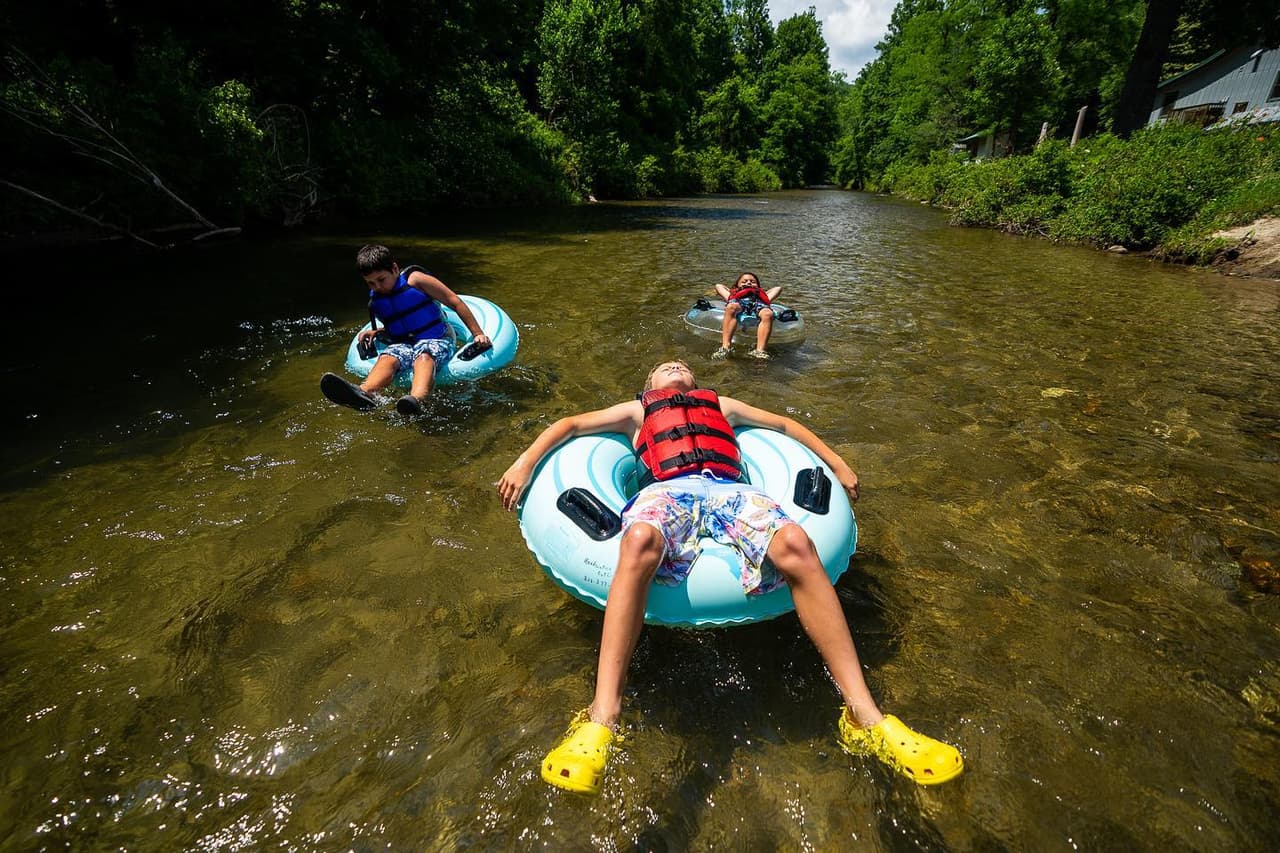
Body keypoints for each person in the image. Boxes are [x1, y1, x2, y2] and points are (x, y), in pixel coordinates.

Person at [497, 360, 964, 795]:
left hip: (732, 491)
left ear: (696, 383)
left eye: (683, 365)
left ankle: (867, 717)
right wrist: (524, 462)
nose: (675, 366)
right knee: (639, 539)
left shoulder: (721, 406)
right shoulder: (636, 412)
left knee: (797, 544)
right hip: (668, 491)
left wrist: (837, 463)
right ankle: (602, 717)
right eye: (664, 367)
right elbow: (570, 426)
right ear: (649, 387)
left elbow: (785, 426)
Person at [320, 244, 491, 416]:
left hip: (437, 337)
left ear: (394, 268)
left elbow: (454, 301)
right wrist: (379, 332)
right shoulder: (376, 300)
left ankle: (416, 399)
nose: (377, 287)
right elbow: (398, 324)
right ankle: (365, 393)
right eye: (370, 283)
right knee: (388, 357)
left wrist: (477, 334)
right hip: (404, 342)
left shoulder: (416, 280)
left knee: (424, 356)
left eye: (381, 280)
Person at [712, 272, 782, 360]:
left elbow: (778, 288)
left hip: (759, 306)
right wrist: (735, 289)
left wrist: (760, 291)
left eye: (752, 281)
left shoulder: (762, 295)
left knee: (768, 313)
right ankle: (725, 347)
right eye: (744, 281)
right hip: (739, 305)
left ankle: (760, 351)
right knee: (731, 306)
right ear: (737, 285)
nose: (748, 283)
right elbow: (719, 286)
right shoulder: (732, 294)